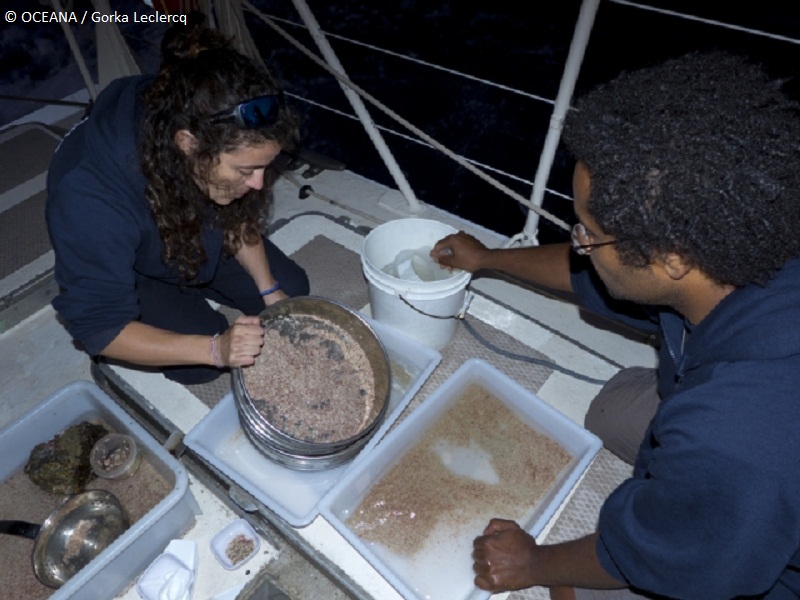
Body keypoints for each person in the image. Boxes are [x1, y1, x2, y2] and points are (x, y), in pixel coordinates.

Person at [432, 52, 800, 599]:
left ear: (671, 259)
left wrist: (533, 563)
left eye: (586, 232)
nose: (578, 243)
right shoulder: (738, 250)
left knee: (596, 578)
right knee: (609, 407)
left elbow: (700, 560)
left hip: (758, 545)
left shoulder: (735, 437)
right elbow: (587, 276)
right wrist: (487, 259)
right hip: (730, 430)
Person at [46, 23, 310, 385]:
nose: (260, 183)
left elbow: (237, 215)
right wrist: (216, 349)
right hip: (134, 257)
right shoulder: (90, 201)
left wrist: (269, 291)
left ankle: (202, 284)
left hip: (189, 216)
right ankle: (171, 293)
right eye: (247, 170)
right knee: (199, 364)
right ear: (188, 144)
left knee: (292, 292)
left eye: (265, 167)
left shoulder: (204, 143)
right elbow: (100, 328)